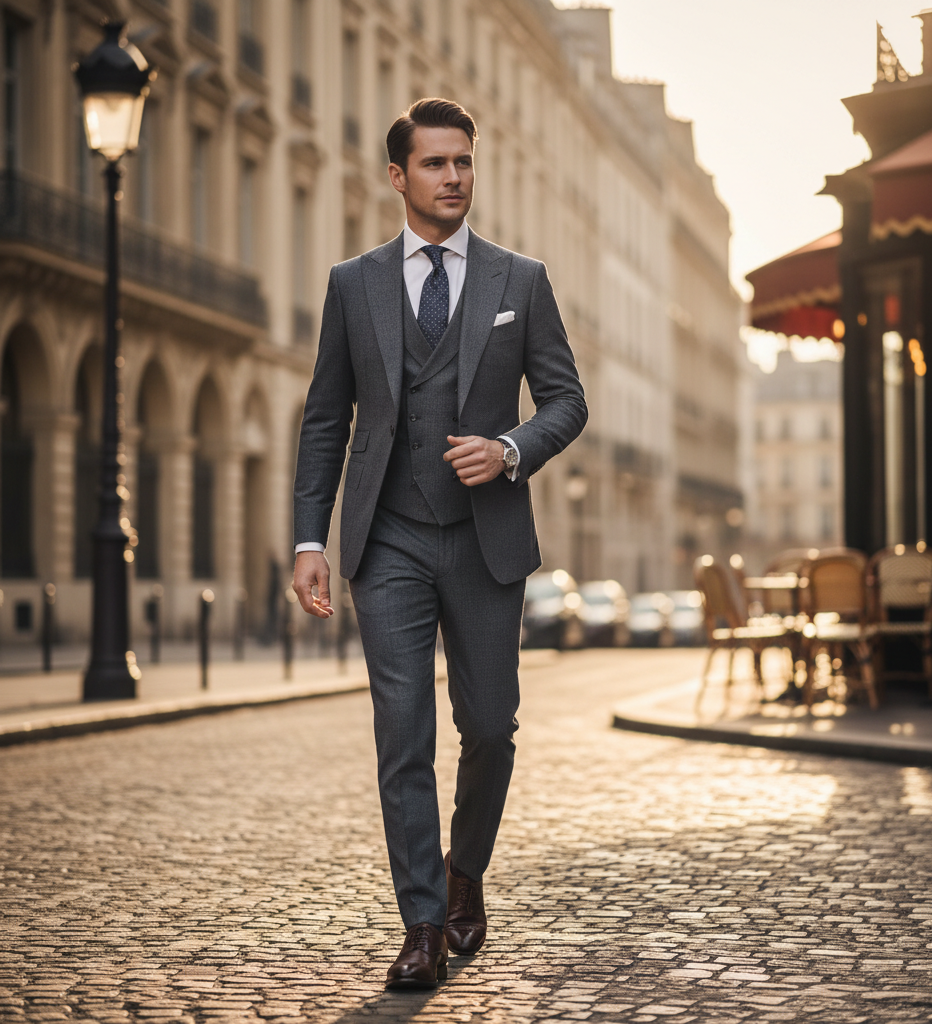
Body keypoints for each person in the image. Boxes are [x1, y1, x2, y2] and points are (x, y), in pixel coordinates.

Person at [292, 97, 587, 990]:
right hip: (386, 539)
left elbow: (566, 401)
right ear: (398, 176)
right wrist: (309, 537)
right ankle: (421, 924)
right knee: (403, 733)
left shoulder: (520, 280)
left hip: (485, 539)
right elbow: (325, 419)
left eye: (462, 161)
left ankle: (466, 872)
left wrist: (509, 449)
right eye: (434, 163)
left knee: (489, 728)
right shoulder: (354, 285)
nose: (453, 177)